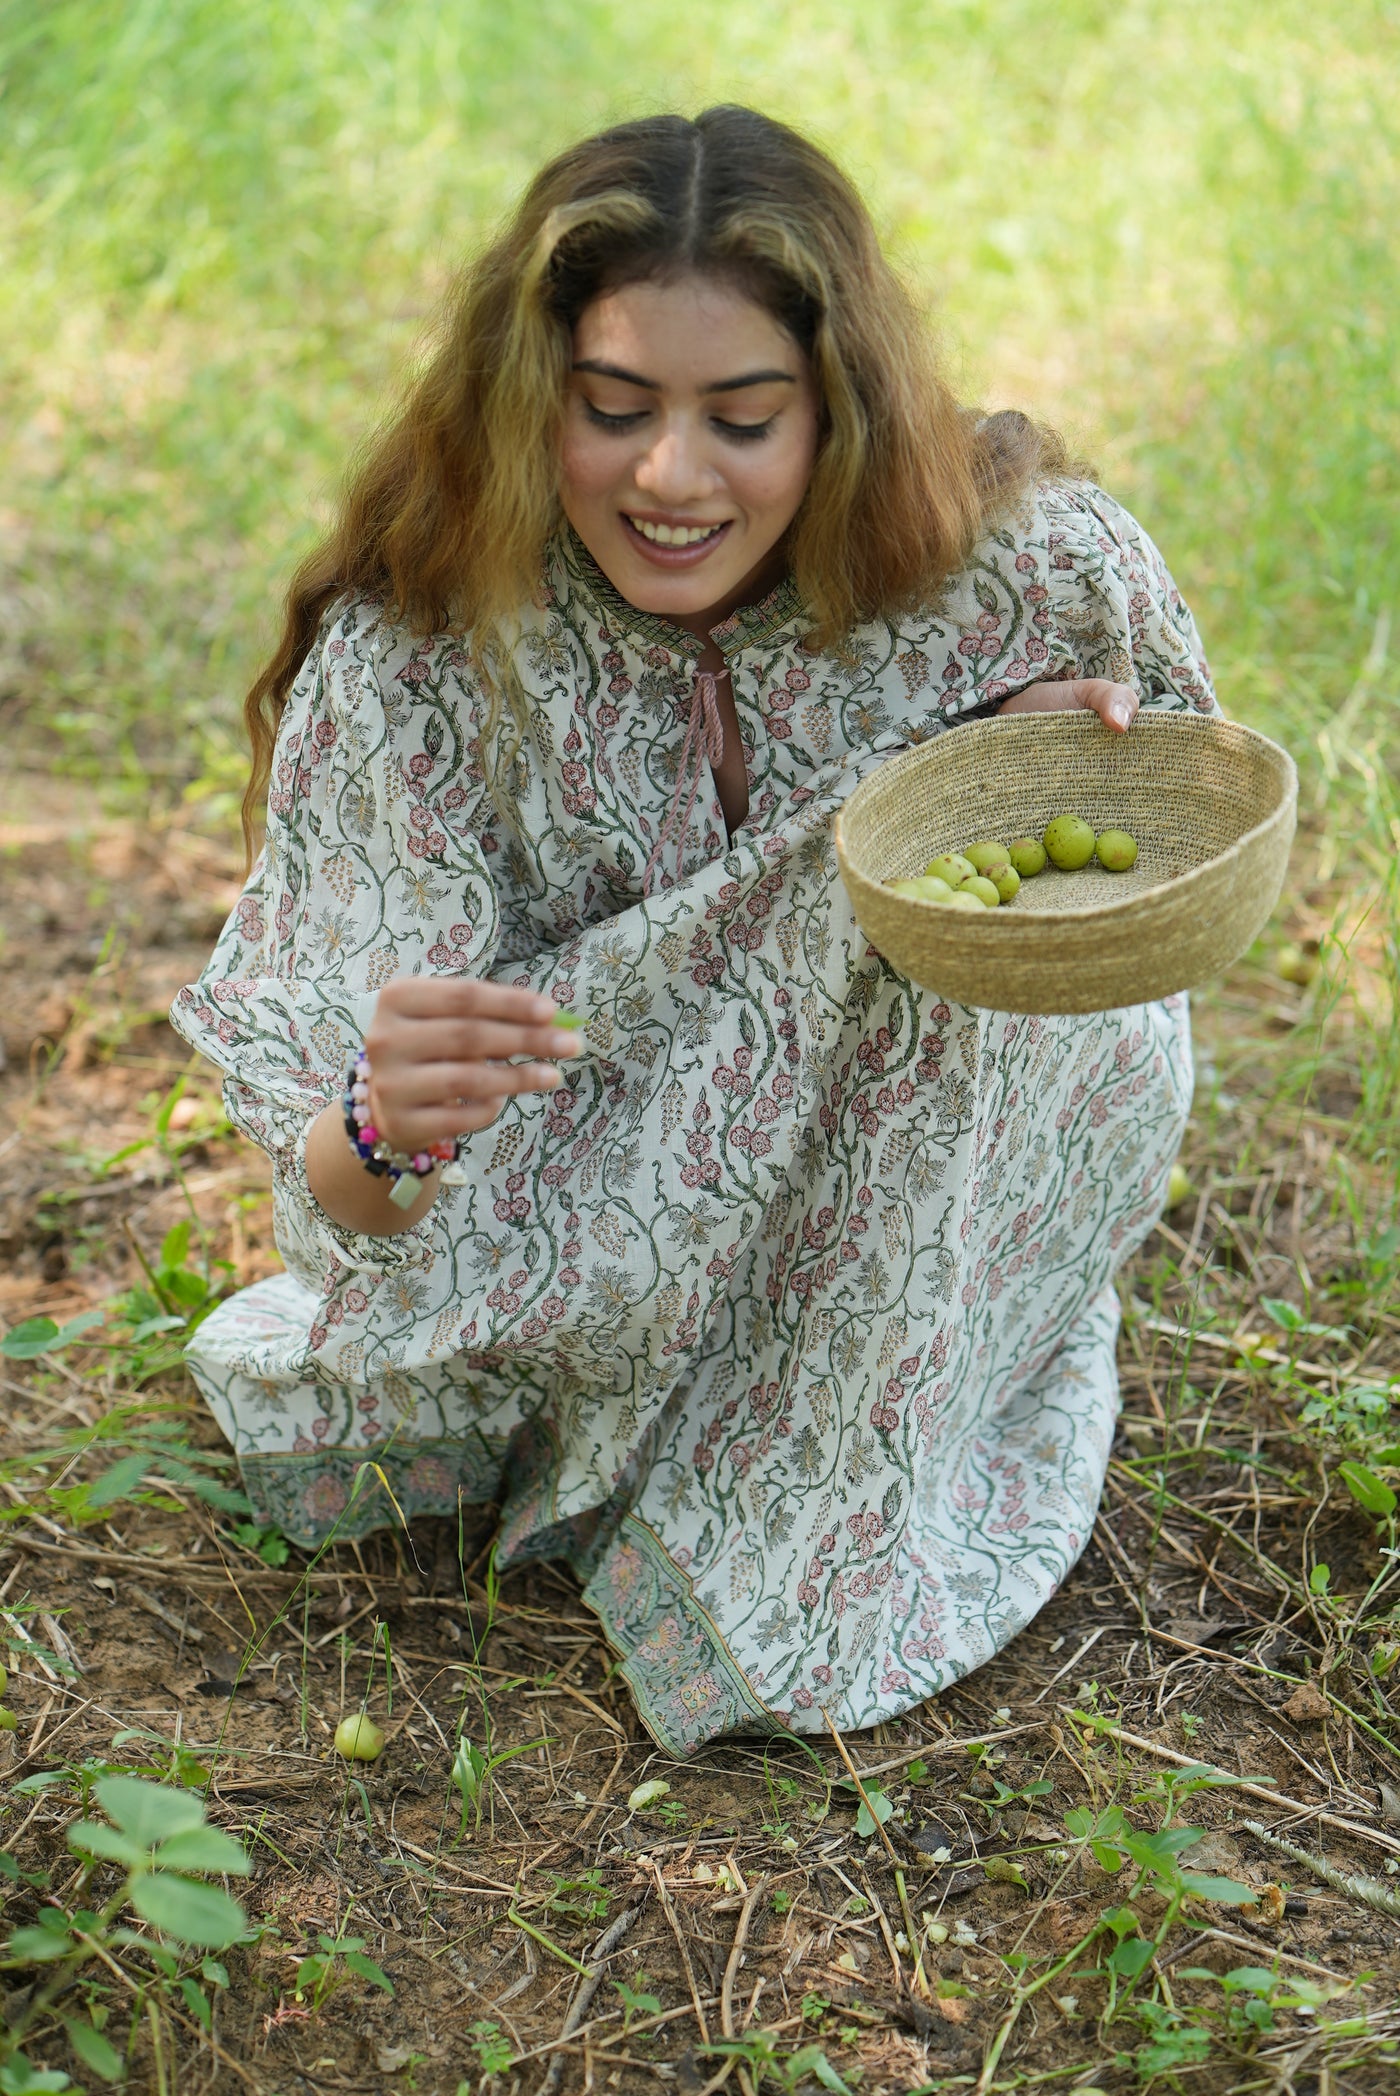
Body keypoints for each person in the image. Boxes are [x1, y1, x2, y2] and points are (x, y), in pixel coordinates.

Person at [173, 106, 1217, 1756]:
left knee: (1004, 976)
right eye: (611, 411)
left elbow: (1165, 907)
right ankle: (630, 1428)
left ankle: (829, 1476)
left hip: (895, 1222)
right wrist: (384, 1117)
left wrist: (1035, 780)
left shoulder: (1027, 577)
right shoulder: (432, 654)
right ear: (535, 401)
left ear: (841, 405)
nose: (671, 477)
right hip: (595, 1211)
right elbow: (352, 1197)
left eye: (744, 418)